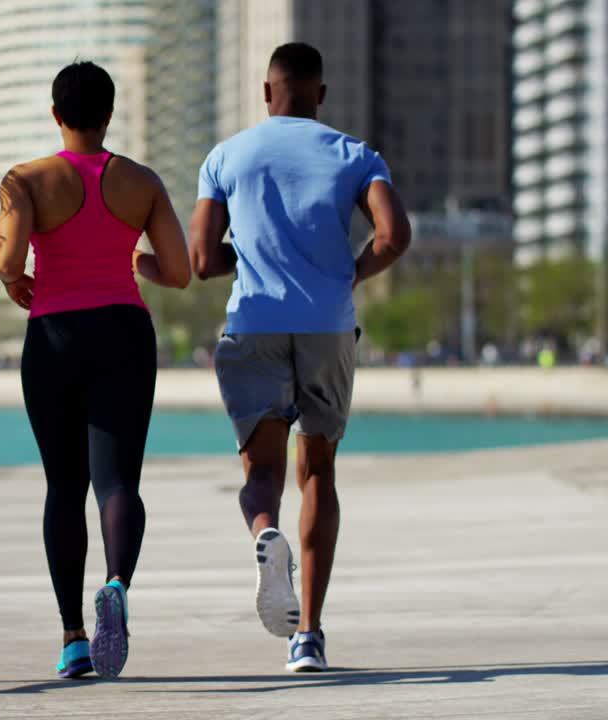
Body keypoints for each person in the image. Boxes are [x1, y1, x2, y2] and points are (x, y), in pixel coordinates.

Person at [190, 43, 411, 672]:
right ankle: (308, 635)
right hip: (327, 328)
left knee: (262, 477)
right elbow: (394, 236)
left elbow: (203, 260)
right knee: (317, 474)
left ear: (267, 93)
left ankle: (265, 532)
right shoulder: (354, 154)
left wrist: (259, 256)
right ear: (320, 94)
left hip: (254, 323)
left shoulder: (226, 157)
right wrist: (345, 274)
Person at [0, 61, 191, 680]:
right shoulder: (143, 182)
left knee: (63, 487)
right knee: (117, 484)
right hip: (124, 333)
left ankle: (74, 637)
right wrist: (137, 260)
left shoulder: (25, 180)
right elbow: (180, 271)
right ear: (109, 115)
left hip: (53, 337)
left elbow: (5, 257)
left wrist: (14, 278)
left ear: (56, 114)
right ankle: (116, 584)